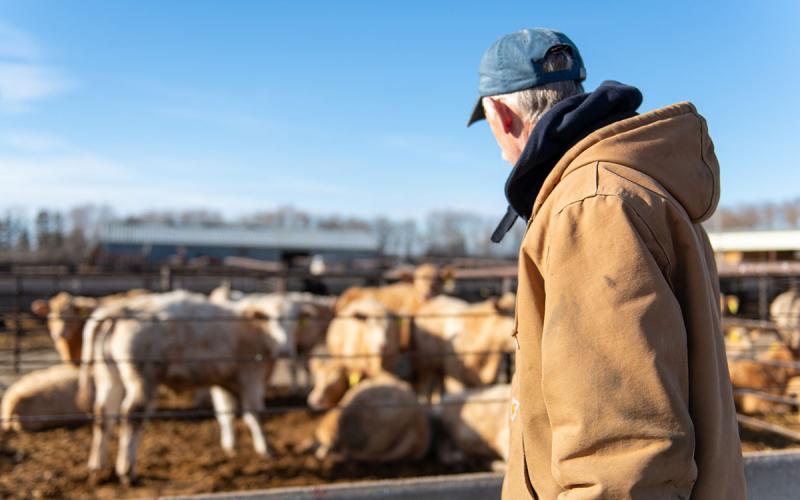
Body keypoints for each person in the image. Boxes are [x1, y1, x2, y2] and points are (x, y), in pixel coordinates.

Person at [468, 28, 746, 499]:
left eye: (490, 126)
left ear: (501, 115)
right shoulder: (631, 189)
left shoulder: (591, 206)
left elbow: (623, 460)